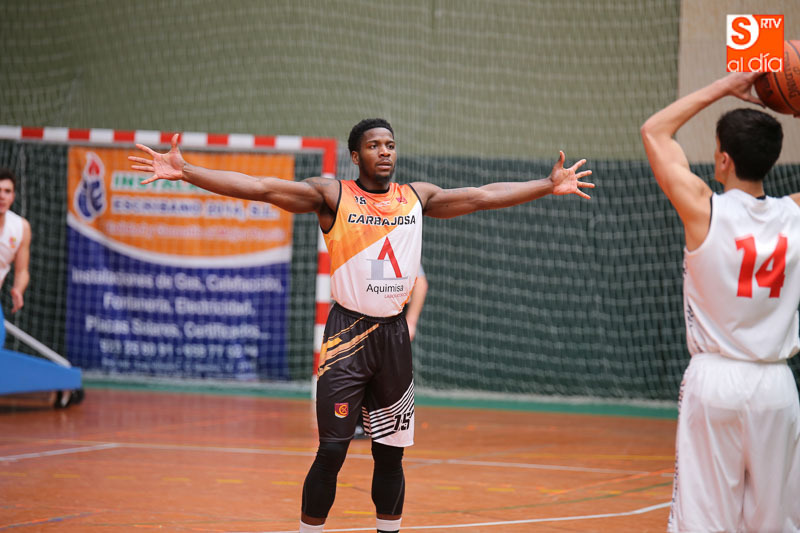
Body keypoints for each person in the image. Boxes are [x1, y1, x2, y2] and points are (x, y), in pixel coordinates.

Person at [129, 119, 593, 533]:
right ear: (356, 155)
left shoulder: (417, 197)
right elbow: (260, 187)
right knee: (332, 451)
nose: (384, 152)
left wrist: (545, 184)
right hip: (346, 336)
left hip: (394, 340)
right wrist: (187, 172)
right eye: (374, 145)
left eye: (390, 144)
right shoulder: (332, 196)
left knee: (390, 456)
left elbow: (481, 196)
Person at [640, 73, 800, 532]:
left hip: (715, 381)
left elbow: (654, 131)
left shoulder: (703, 209)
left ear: (723, 159)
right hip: (776, 386)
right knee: (776, 523)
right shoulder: (794, 214)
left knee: (704, 522)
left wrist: (726, 87)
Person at [0, 168, 31, 345]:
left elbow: (22, 270)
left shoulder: (21, 227)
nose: (2, 196)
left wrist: (18, 289)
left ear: (13, 196)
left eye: (7, 191)